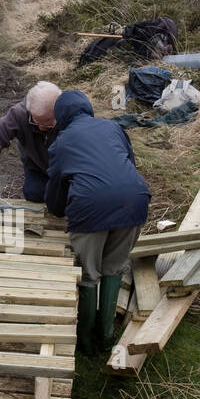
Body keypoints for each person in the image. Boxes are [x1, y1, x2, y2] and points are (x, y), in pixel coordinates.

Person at [44, 90, 150, 355]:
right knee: (114, 268)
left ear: (61, 116)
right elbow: (129, 164)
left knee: (89, 274)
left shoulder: (63, 140)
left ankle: (87, 342)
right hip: (134, 201)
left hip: (90, 208)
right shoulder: (114, 127)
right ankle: (107, 335)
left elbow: (56, 189)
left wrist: (57, 211)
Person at [0, 80, 62, 208]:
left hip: (65, 168)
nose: (41, 127)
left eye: (47, 122)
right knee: (34, 193)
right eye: (36, 121)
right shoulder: (19, 114)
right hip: (36, 166)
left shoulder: (71, 115)